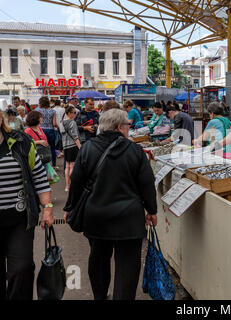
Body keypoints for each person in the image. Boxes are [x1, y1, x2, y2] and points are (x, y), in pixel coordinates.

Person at [63, 108, 157, 300]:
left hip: (97, 216)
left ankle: (100, 295)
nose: (129, 129)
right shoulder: (135, 151)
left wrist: (70, 207)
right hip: (129, 218)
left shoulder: (88, 148)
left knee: (98, 259)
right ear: (119, 127)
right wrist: (152, 210)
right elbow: (147, 183)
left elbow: (77, 181)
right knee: (128, 265)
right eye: (128, 125)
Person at [0, 110, 54, 300]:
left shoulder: (21, 142)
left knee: (21, 269)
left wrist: (47, 208)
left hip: (19, 219)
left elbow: (39, 177)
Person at [62, 106, 81, 192]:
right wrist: (80, 147)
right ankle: (72, 185)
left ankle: (67, 186)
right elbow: (75, 136)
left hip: (65, 146)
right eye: (74, 112)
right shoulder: (72, 123)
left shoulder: (62, 122)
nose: (75, 114)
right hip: (73, 146)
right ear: (69, 113)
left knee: (67, 166)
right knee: (72, 166)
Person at [35, 96, 58, 167]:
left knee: (40, 148)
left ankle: (41, 164)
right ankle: (54, 165)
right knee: (52, 149)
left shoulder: (37, 110)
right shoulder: (53, 111)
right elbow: (54, 124)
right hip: (50, 130)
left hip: (40, 130)